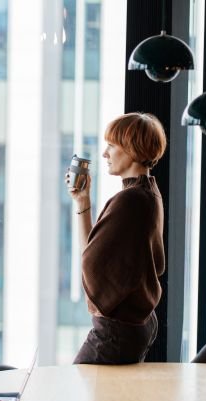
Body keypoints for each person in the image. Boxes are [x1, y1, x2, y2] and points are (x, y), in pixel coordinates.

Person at [66, 112, 166, 364]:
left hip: (116, 331)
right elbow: (94, 252)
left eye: (111, 145)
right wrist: (83, 201)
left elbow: (91, 262)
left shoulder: (130, 200)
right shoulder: (149, 192)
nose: (104, 153)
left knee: (81, 389)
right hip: (138, 324)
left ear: (132, 149)